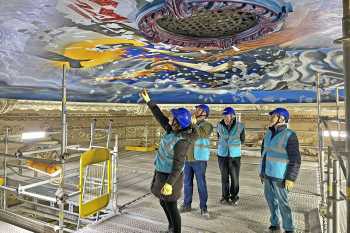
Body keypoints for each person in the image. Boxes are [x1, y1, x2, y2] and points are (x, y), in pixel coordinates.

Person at [140, 88, 194, 233]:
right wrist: (149, 101)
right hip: (161, 172)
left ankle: (175, 230)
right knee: (163, 201)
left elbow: (179, 165)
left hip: (171, 177)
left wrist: (170, 184)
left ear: (179, 123)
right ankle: (171, 228)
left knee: (171, 205)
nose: (170, 119)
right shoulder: (171, 130)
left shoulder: (181, 141)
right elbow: (159, 116)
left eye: (173, 118)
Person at [259, 107, 301, 233]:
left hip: (280, 176)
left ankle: (289, 228)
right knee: (270, 200)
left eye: (274, 116)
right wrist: (262, 171)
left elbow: (296, 159)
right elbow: (264, 153)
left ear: (282, 118)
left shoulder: (290, 135)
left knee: (283, 203)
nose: (271, 118)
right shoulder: (268, 133)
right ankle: (274, 222)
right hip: (267, 174)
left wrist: (290, 178)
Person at [180, 104, 213, 218]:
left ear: (204, 113)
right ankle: (186, 204)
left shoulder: (208, 125)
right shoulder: (191, 124)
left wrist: (193, 124)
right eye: (196, 109)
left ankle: (203, 208)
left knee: (201, 184)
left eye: (198, 109)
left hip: (199, 160)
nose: (196, 110)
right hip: (187, 159)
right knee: (187, 183)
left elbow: (201, 134)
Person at [216, 107, 245, 205]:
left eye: (227, 115)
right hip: (222, 155)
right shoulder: (219, 125)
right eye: (224, 115)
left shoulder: (240, 126)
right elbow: (218, 137)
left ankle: (234, 197)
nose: (225, 117)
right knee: (224, 177)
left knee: (234, 177)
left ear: (232, 116)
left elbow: (243, 139)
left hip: (234, 155)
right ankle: (225, 196)